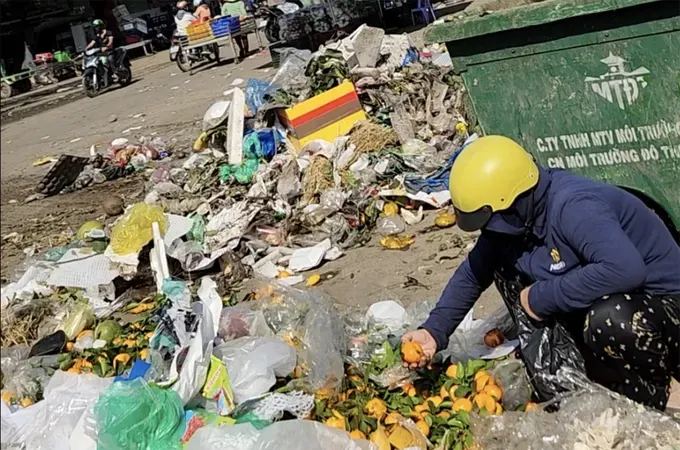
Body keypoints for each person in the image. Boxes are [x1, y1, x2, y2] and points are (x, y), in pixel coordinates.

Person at [402, 135, 680, 411]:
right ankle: (587, 376)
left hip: (663, 308)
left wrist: (539, 297)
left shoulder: (574, 207)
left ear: (512, 203)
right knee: (506, 266)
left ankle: (659, 395)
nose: (488, 232)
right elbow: (473, 273)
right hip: (619, 299)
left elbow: (624, 270)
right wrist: (434, 330)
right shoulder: (516, 220)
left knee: (609, 319)